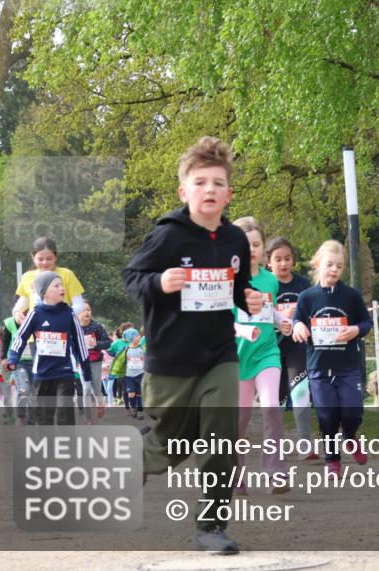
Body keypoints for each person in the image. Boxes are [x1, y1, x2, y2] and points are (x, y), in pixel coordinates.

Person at [122, 135, 263, 555]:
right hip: (171, 359)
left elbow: (237, 289)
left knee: (220, 440)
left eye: (218, 183)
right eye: (200, 182)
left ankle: (211, 527)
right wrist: (160, 282)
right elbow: (132, 279)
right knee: (169, 446)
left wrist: (247, 298)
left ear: (229, 194)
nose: (210, 190)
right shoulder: (169, 236)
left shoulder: (236, 240)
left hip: (219, 354)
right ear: (184, 191)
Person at [292, 240, 372, 476]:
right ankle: (332, 459)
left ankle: (349, 436)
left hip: (347, 366)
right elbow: (298, 320)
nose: (335, 270)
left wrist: (356, 330)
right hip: (319, 368)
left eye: (339, 266)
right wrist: (298, 327)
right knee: (327, 414)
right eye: (330, 264)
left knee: (352, 411)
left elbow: (367, 322)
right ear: (317, 264)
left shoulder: (351, 296)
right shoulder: (307, 297)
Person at [232, 217, 290, 494]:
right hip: (236, 357)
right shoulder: (228, 281)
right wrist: (244, 332)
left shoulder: (269, 280)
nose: (251, 250)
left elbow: (270, 310)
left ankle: (275, 473)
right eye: (245, 245)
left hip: (267, 353)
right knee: (238, 421)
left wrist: (281, 321)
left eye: (256, 244)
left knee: (271, 407)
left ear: (263, 247)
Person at [6, 272, 96, 425]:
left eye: (62, 285)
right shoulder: (35, 313)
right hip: (42, 373)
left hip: (65, 371)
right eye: (57, 285)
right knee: (44, 416)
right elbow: (20, 337)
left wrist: (86, 369)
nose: (62, 288)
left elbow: (80, 341)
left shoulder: (69, 313)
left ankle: (65, 446)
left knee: (65, 412)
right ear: (44, 291)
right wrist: (13, 357)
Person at [267, 236, 317, 458]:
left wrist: (299, 318)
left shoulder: (303, 285)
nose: (283, 263)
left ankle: (305, 443)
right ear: (268, 262)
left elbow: (313, 312)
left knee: (300, 390)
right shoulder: (265, 284)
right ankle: (273, 446)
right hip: (271, 348)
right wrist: (278, 318)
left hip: (298, 347)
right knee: (275, 399)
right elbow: (254, 316)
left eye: (287, 258)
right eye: (278, 259)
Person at [13, 237, 86, 323]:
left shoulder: (67, 274)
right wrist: (16, 313)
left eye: (49, 258)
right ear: (33, 257)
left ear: (56, 256)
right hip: (36, 332)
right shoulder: (27, 277)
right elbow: (22, 303)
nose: (45, 262)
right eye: (40, 259)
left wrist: (63, 314)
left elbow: (80, 305)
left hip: (61, 331)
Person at [78, 301, 111, 423]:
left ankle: (100, 404)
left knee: (96, 389)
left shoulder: (97, 327)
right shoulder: (74, 327)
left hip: (96, 361)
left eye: (89, 310)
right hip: (82, 362)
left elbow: (108, 343)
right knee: (86, 389)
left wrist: (96, 344)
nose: (87, 312)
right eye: (83, 310)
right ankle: (88, 419)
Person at [121, 328, 145, 419]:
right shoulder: (126, 349)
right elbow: (120, 360)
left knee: (140, 393)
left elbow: (146, 359)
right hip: (129, 376)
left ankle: (140, 411)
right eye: (137, 335)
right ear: (132, 338)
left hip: (141, 374)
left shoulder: (142, 348)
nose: (139, 337)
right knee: (131, 393)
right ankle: (133, 408)